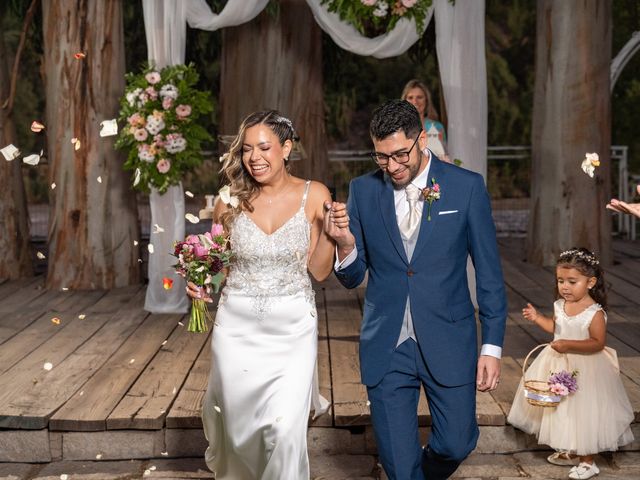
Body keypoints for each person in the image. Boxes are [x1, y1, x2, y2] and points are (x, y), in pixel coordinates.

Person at [332, 99, 507, 479]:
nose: (392, 167)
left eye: (399, 155)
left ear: (422, 139)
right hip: (387, 344)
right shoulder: (362, 191)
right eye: (381, 157)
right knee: (397, 462)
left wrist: (491, 347)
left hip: (448, 336)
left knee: (457, 442)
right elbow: (351, 276)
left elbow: (490, 275)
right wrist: (345, 245)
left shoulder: (466, 188)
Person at [186, 110, 349, 480]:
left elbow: (321, 271)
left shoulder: (315, 194)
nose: (254, 158)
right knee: (239, 431)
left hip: (291, 330)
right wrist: (199, 282)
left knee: (283, 431)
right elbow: (218, 265)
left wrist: (332, 234)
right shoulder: (230, 199)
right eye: (246, 150)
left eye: (264, 147)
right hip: (236, 329)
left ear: (287, 148)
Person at [508, 248, 634, 480]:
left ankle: (588, 461)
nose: (564, 286)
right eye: (560, 281)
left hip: (586, 368)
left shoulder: (594, 313)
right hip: (558, 365)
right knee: (562, 409)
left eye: (572, 281)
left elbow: (597, 343)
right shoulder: (559, 305)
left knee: (585, 413)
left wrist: (568, 345)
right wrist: (538, 319)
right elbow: (556, 329)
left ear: (590, 282)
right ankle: (572, 450)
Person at [401, 79, 448, 161]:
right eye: (410, 97)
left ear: (426, 100)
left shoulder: (437, 127)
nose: (415, 101)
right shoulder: (398, 128)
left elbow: (444, 155)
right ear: (405, 101)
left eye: (419, 97)